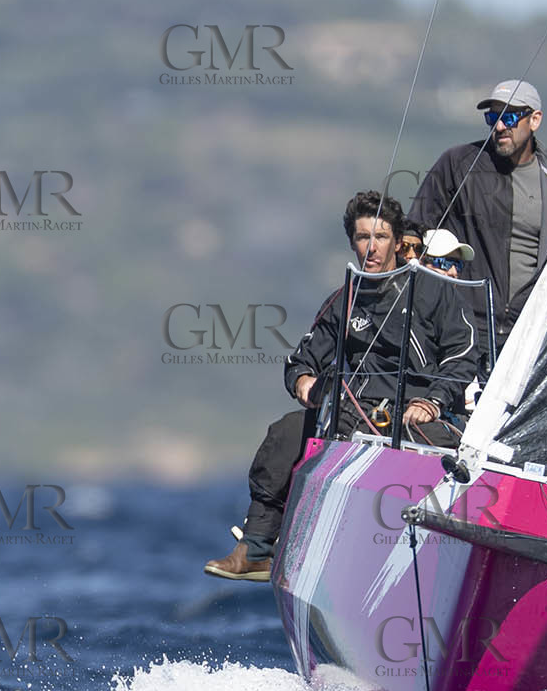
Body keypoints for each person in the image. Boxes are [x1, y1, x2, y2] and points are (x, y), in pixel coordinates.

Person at [204, 191, 477, 582]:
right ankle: (257, 547)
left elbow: (462, 355)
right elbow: (300, 361)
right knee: (285, 432)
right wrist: (306, 385)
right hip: (354, 412)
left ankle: (434, 556)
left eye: (381, 237)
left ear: (398, 242)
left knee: (438, 450)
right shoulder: (346, 299)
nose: (372, 247)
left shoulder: (434, 292)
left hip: (417, 413)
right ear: (353, 242)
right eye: (363, 237)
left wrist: (432, 401)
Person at [409, 79, 547, 372]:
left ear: (535, 119)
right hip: (462, 326)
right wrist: (426, 268)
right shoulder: (459, 164)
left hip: (529, 335)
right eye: (492, 117)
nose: (500, 126)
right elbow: (414, 228)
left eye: (510, 116)